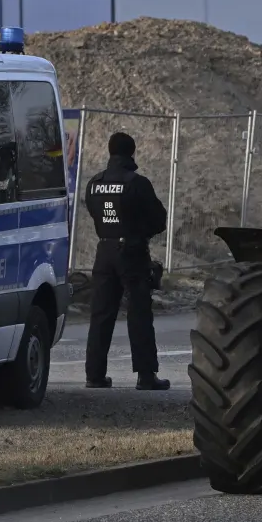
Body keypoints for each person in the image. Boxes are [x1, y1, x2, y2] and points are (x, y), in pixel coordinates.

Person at [84, 132, 169, 390]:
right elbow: (159, 219)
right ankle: (145, 376)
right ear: (132, 152)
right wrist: (139, 233)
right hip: (131, 252)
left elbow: (94, 212)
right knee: (139, 313)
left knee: (101, 314)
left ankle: (94, 375)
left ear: (110, 152)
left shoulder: (94, 184)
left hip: (104, 251)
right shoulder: (137, 183)